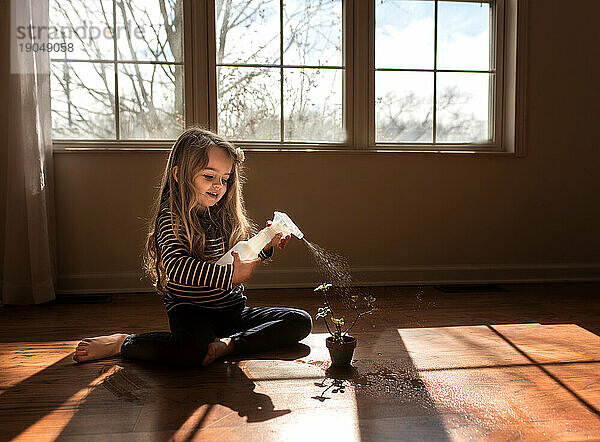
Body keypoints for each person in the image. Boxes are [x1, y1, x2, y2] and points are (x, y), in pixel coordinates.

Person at [72, 128, 312, 367]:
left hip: (230, 309)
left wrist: (266, 244)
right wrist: (230, 275)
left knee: (300, 321)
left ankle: (229, 344)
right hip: (191, 311)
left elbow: (238, 254)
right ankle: (122, 343)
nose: (218, 186)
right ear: (179, 175)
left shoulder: (223, 214)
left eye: (225, 179)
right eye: (209, 176)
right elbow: (177, 267)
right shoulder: (171, 218)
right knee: (189, 351)